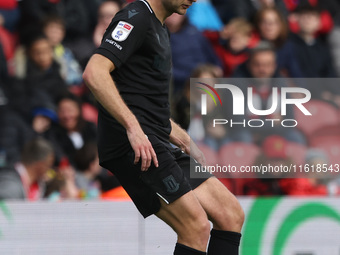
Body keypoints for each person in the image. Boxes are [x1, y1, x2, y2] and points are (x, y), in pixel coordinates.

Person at [83, 1, 244, 255]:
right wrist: (133, 128)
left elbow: (141, 100)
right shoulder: (135, 18)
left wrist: (182, 137)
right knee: (196, 227)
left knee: (230, 214)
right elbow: (94, 72)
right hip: (133, 145)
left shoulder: (160, 27)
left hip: (155, 137)